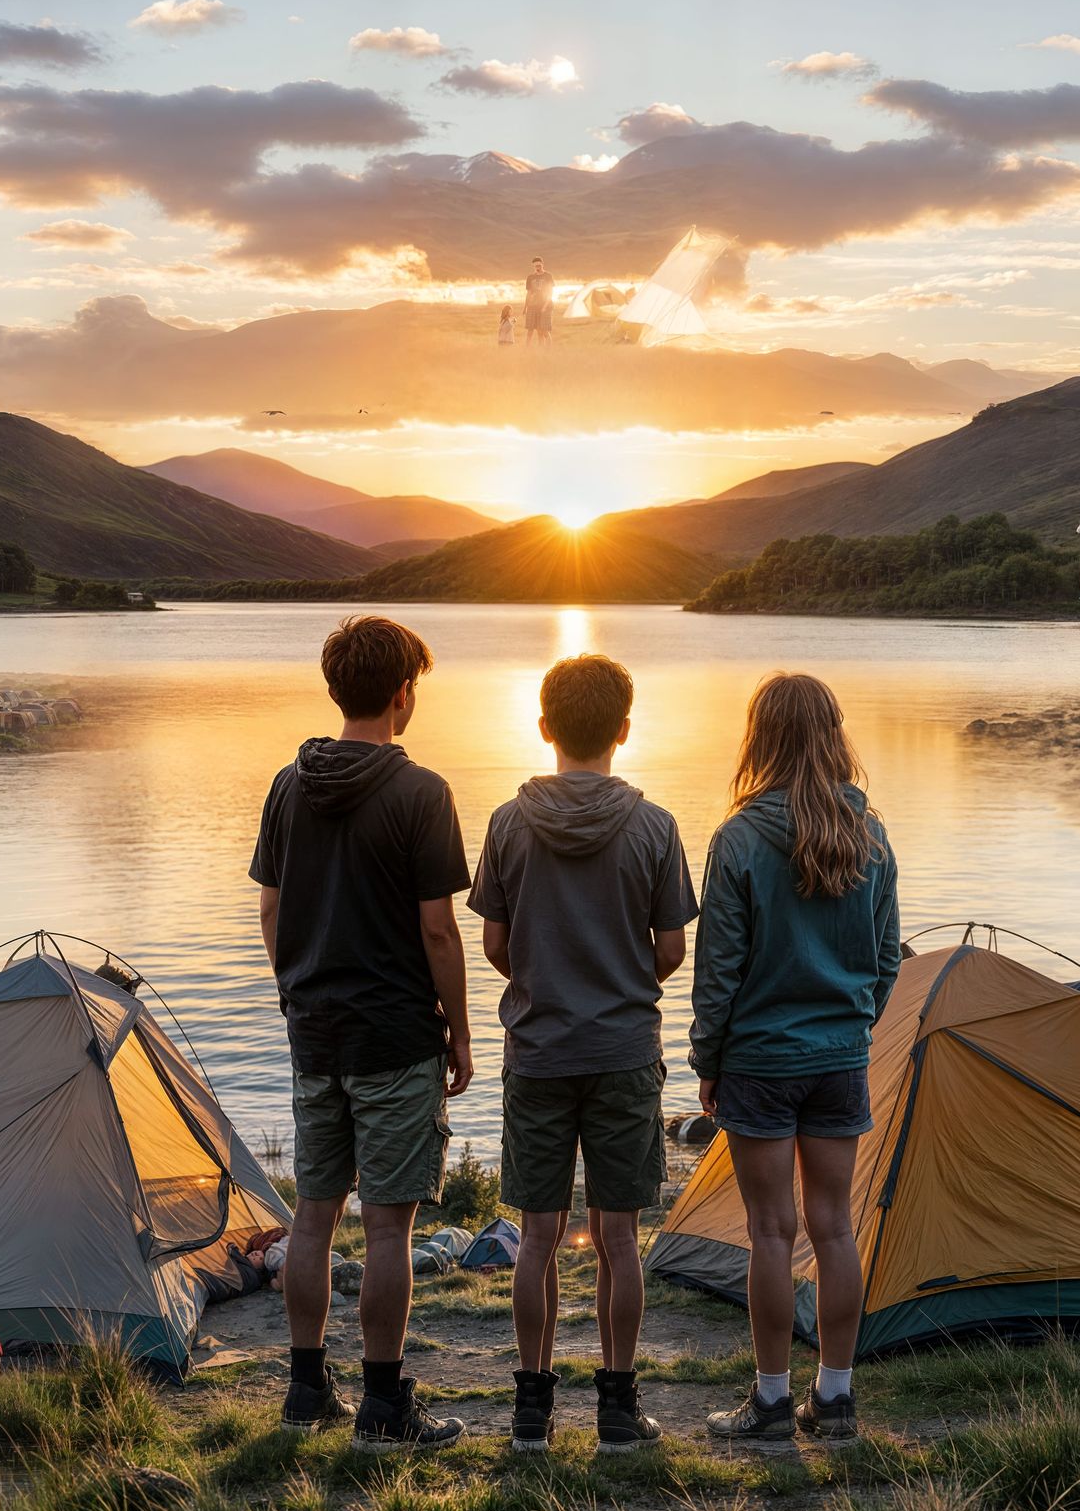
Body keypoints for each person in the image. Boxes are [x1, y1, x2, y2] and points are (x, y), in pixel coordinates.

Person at [251, 615, 472, 1448]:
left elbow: (271, 908)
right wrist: (457, 1030)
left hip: (314, 1032)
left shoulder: (286, 784)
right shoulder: (422, 793)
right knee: (387, 1227)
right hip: (394, 1037)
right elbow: (439, 933)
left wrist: (295, 989)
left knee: (312, 1217)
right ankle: (384, 1406)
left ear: (335, 687)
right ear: (404, 693)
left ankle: (305, 1391)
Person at [469, 655, 698, 1455]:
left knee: (536, 1237)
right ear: (625, 731)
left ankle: (531, 1409)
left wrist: (541, 976)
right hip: (625, 1050)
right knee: (619, 1238)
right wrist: (626, 974)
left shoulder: (506, 822)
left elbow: (495, 941)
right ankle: (617, 1408)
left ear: (544, 729)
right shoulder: (656, 827)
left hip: (536, 1049)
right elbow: (671, 945)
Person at [692, 674, 900, 1443]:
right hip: (837, 1058)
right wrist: (851, 1028)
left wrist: (706, 1058)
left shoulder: (739, 838)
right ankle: (837, 1398)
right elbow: (886, 963)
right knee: (834, 1227)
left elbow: (718, 970)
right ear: (833, 734)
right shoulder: (869, 835)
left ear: (761, 738)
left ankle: (773, 1402)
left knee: (771, 1232)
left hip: (759, 1060)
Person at [524, 257, 554, 346]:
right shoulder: (530, 277)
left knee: (544, 330)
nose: (538, 267)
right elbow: (528, 293)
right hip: (532, 306)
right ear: (533, 266)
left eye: (539, 265)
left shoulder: (548, 276)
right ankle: (527, 350)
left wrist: (545, 306)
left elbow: (550, 292)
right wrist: (525, 307)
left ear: (542, 264)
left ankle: (548, 351)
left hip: (546, 306)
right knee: (531, 329)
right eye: (536, 266)